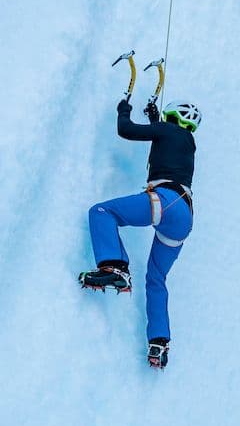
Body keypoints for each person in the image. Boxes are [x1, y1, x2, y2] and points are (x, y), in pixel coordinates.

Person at [79, 95, 200, 370]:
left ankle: (114, 267)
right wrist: (154, 118)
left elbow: (127, 130)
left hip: (164, 200)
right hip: (184, 215)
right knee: (156, 279)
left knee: (102, 212)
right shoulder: (186, 142)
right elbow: (161, 140)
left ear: (170, 117)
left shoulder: (169, 131)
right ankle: (159, 343)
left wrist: (124, 108)